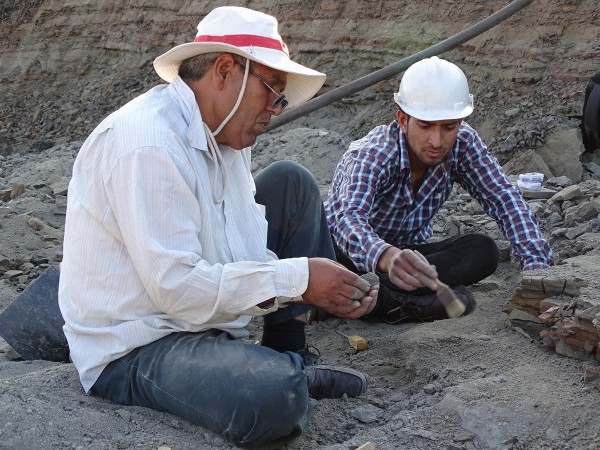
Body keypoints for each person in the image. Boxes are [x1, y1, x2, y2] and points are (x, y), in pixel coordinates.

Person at [58, 6, 377, 447]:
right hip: (140, 345)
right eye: (272, 90)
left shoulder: (223, 136)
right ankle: (283, 376)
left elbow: (241, 248)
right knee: (273, 398)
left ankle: (285, 354)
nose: (277, 108)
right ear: (225, 70)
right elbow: (179, 290)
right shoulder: (148, 144)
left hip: (201, 322)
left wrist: (307, 279)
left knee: (292, 183)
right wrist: (301, 280)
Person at [325, 56, 554, 324]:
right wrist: (386, 256)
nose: (437, 140)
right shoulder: (372, 154)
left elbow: (503, 197)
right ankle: (390, 301)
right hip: (347, 253)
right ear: (402, 119)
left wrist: (537, 270)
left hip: (409, 255)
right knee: (333, 264)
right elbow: (346, 219)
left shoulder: (463, 143)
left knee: (483, 250)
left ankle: (376, 299)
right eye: (425, 126)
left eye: (449, 127)